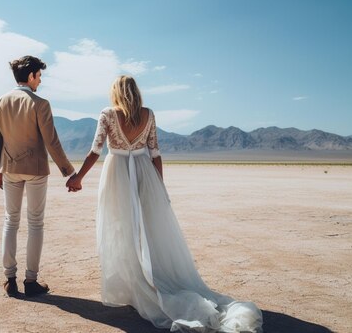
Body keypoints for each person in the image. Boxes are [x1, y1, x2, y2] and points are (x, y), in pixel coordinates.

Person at [66, 75, 263, 332]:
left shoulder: (107, 113)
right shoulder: (148, 114)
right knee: (146, 229)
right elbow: (155, 153)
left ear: (115, 92)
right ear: (136, 92)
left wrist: (78, 177)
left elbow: (95, 150)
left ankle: (137, 285)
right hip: (144, 172)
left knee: (121, 228)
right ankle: (144, 281)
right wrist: (158, 186)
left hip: (117, 174)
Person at [0, 55, 79, 297]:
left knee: (10, 221)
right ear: (30, 76)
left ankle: (10, 280)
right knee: (35, 223)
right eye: (39, 77)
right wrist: (69, 172)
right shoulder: (40, 103)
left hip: (9, 169)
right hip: (36, 171)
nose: (40, 82)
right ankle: (31, 282)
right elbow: (51, 141)